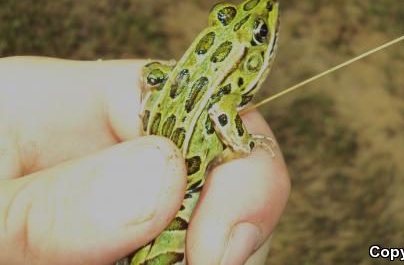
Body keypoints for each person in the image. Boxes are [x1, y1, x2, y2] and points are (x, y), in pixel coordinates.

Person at [0, 57, 290, 265]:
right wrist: (246, 142)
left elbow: (151, 74)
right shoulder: (224, 99)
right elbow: (233, 132)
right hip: (179, 190)